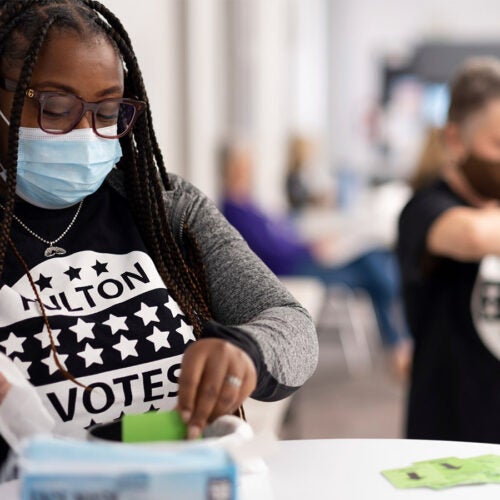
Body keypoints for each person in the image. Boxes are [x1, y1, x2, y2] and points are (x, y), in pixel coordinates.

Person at [0, 0, 318, 463]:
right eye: (56, 107)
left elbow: (292, 326)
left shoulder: (164, 208)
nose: (85, 132)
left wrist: (246, 353)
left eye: (107, 112)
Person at [220, 142, 411, 371]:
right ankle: (398, 341)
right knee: (373, 271)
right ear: (229, 169)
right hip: (292, 269)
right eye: (242, 166)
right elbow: (270, 251)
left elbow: (281, 235)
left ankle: (398, 341)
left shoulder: (248, 203)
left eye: (248, 165)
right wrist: (309, 249)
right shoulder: (233, 209)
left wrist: (309, 244)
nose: (248, 171)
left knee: (372, 260)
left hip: (300, 258)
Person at [398, 57, 500, 443]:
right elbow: (472, 236)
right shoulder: (425, 208)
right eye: (498, 144)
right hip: (450, 432)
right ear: (456, 140)